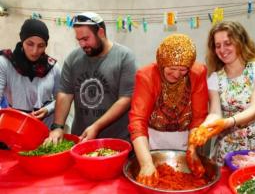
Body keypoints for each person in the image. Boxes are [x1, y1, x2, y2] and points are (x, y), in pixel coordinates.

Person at [45, 12, 137, 144]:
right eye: (79, 40)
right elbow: (65, 93)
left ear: (100, 32)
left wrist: (96, 126)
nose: (82, 44)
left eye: (86, 39)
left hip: (117, 141)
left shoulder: (124, 57)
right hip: (81, 140)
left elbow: (126, 99)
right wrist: (58, 127)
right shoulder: (73, 59)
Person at [128, 34, 209, 185]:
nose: (177, 75)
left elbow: (199, 117)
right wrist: (146, 163)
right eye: (171, 68)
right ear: (161, 62)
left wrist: (192, 149)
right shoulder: (147, 76)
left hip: (187, 138)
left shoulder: (198, 73)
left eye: (183, 69)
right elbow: (138, 121)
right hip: (152, 141)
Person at [189, 21, 255, 166]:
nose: (222, 49)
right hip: (227, 150)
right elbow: (215, 112)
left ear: (240, 42)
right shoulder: (215, 78)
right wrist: (204, 127)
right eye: (218, 45)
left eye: (228, 43)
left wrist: (227, 122)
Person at [0, 18, 60, 128]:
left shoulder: (53, 67)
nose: (35, 51)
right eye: (30, 44)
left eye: (41, 45)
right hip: (15, 127)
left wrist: (48, 109)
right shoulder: (5, 63)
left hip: (44, 130)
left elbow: (61, 99)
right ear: (22, 41)